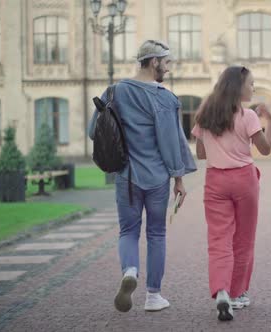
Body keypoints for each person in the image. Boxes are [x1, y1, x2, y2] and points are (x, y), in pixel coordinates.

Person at [88, 40, 196, 313]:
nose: (169, 69)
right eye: (167, 63)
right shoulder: (166, 98)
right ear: (153, 61)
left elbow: (93, 130)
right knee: (157, 234)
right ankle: (153, 296)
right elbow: (172, 143)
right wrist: (179, 179)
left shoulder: (114, 91)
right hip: (158, 178)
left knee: (128, 231)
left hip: (126, 177)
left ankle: (130, 271)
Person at [192, 66, 271, 321]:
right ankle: (238, 294)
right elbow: (267, 149)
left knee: (219, 240)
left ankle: (222, 291)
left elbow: (201, 154)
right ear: (238, 87)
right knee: (243, 239)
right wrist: (269, 121)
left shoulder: (204, 114)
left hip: (215, 180)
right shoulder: (247, 115)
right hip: (244, 180)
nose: (253, 87)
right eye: (250, 84)